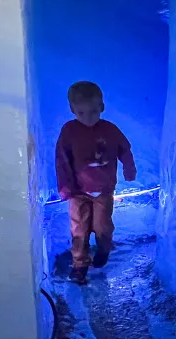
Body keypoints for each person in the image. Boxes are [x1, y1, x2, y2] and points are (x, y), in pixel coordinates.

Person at [56, 81, 137, 285]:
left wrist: (129, 168)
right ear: (72, 110)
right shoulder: (69, 131)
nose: (88, 117)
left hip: (103, 190)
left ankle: (103, 248)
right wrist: (65, 187)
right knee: (79, 229)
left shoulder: (110, 130)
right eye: (81, 112)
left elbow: (124, 149)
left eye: (93, 111)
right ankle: (80, 264)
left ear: (101, 107)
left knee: (102, 226)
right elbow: (62, 159)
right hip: (78, 191)